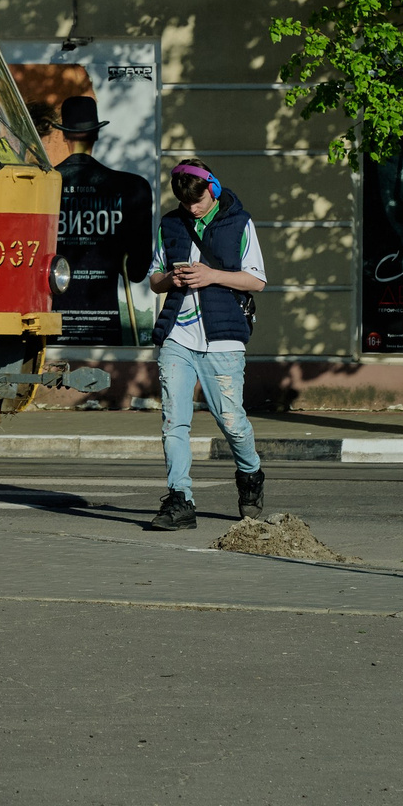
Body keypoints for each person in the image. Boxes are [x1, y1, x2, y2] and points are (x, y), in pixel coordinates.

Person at [145, 160, 268, 531]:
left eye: (197, 202)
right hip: (176, 337)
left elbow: (257, 281)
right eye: (185, 203)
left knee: (232, 423)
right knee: (173, 421)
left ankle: (250, 474)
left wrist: (212, 275)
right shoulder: (170, 224)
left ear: (212, 190)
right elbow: (154, 279)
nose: (192, 209)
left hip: (223, 339)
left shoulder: (240, 223)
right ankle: (180, 499)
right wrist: (170, 278)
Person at [48, 95, 155, 345]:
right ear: (96, 134)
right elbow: (138, 271)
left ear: (64, 135)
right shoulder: (132, 187)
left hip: (53, 326)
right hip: (105, 327)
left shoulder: (41, 186)